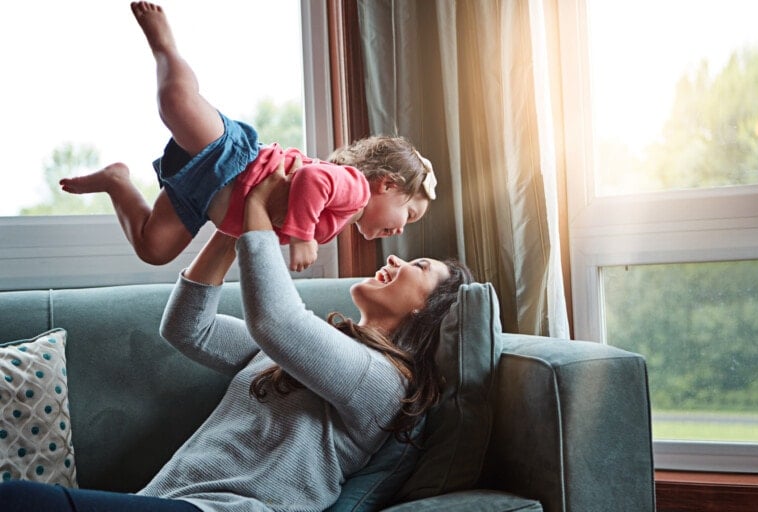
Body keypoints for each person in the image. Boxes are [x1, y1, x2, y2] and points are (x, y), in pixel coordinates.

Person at [0, 135, 474, 511]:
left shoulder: (385, 385)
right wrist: (236, 221)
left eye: (421, 266)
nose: (397, 256)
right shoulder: (317, 349)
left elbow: (277, 322)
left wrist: (256, 218)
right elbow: (189, 329)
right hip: (167, 502)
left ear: (427, 310)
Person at [59, 1, 438, 272]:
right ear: (387, 184)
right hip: (232, 162)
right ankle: (166, 47)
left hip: (204, 200)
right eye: (410, 213)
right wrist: (302, 236)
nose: (401, 228)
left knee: (153, 249)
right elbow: (312, 179)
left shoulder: (337, 222)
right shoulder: (354, 188)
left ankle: (117, 181)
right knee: (175, 102)